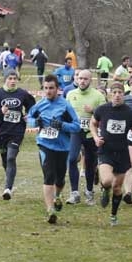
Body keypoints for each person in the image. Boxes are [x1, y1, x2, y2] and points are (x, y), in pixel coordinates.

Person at [27, 75, 80, 223]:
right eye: (46, 88)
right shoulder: (39, 105)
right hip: (44, 144)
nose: (48, 91)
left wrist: (62, 126)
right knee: (48, 175)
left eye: (51, 88)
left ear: (57, 89)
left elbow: (77, 126)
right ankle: (50, 210)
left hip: (62, 147)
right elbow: (28, 118)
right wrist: (35, 122)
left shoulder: (66, 106)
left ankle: (57, 196)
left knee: (60, 178)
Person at [90, 82, 132, 225]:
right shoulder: (102, 109)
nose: (117, 95)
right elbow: (93, 123)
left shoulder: (130, 112)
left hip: (122, 152)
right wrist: (95, 137)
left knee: (117, 187)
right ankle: (104, 189)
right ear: (110, 94)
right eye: (114, 92)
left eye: (120, 92)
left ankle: (113, 215)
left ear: (123, 95)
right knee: (107, 181)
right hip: (106, 150)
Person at [0, 71, 36, 200]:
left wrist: (28, 115)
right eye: (10, 78)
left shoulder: (22, 93)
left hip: (17, 131)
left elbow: (33, 106)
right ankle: (9, 178)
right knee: (5, 159)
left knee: (11, 157)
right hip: (2, 132)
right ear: (5, 79)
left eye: (15, 78)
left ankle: (8, 188)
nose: (13, 81)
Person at [66, 70, 107, 205]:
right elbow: (65, 113)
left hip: (91, 133)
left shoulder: (98, 96)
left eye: (85, 79)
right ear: (76, 79)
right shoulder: (71, 94)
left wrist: (93, 111)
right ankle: (74, 193)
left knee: (90, 163)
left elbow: (105, 116)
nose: (82, 81)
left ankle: (89, 192)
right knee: (72, 159)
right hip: (76, 132)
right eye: (80, 78)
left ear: (91, 80)